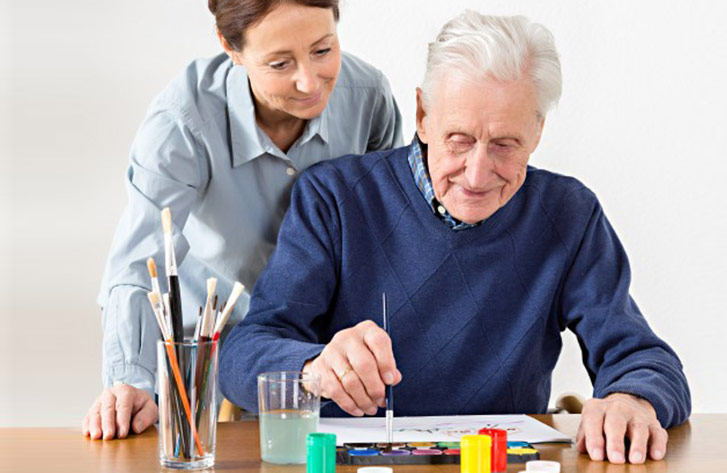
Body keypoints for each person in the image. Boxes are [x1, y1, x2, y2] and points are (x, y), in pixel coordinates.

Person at [219, 10, 691, 465]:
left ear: (538, 131)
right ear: (423, 114)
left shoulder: (569, 213)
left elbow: (643, 355)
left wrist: (633, 398)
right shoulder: (334, 197)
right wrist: (314, 368)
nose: (478, 173)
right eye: (459, 139)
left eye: (505, 144)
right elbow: (243, 353)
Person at [83, 0, 402, 440]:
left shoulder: (369, 98)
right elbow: (140, 265)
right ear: (231, 48)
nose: (309, 81)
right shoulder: (183, 123)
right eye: (279, 63)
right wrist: (129, 381)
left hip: (323, 360)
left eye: (323, 50)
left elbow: (386, 229)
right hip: (209, 361)